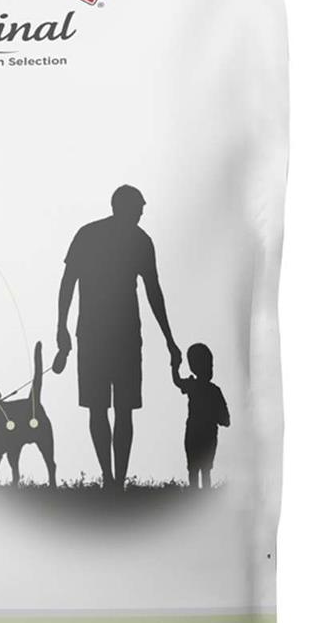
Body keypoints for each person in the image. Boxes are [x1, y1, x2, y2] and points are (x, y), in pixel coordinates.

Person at [56, 184, 182, 488]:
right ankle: (114, 480)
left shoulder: (94, 235)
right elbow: (69, 282)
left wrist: (61, 327)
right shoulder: (134, 240)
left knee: (105, 408)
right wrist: (60, 327)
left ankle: (114, 480)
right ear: (124, 207)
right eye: (139, 208)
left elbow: (68, 282)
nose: (142, 213)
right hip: (113, 335)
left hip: (103, 334)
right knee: (113, 409)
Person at [172, 342, 230, 490]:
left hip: (196, 433)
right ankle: (203, 495)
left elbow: (177, 381)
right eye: (209, 364)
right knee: (203, 469)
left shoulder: (194, 386)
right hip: (205, 434)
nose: (210, 368)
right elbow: (225, 420)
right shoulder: (213, 390)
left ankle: (196, 494)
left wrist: (175, 366)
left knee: (196, 469)